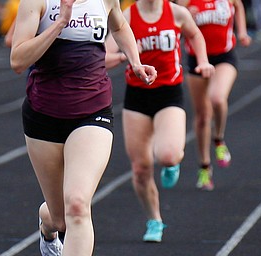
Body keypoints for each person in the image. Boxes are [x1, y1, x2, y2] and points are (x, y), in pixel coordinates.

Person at [10, 0, 157, 255]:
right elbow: (18, 60)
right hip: (43, 115)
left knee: (77, 205)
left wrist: (135, 61)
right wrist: (60, 24)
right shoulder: (37, 2)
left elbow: (120, 25)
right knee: (61, 219)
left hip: (92, 112)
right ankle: (48, 225)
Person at [106, 0, 214, 242]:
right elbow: (105, 52)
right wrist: (123, 57)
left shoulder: (177, 13)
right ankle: (154, 219)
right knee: (140, 168)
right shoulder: (128, 15)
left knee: (167, 155)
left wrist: (203, 60)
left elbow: (195, 35)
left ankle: (172, 162)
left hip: (169, 93)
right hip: (137, 96)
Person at [177, 0, 251, 191]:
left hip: (224, 56)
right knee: (202, 117)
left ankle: (218, 138)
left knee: (217, 98)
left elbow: (239, 6)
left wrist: (241, 31)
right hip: (197, 60)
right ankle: (204, 166)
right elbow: (174, 21)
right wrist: (187, 14)